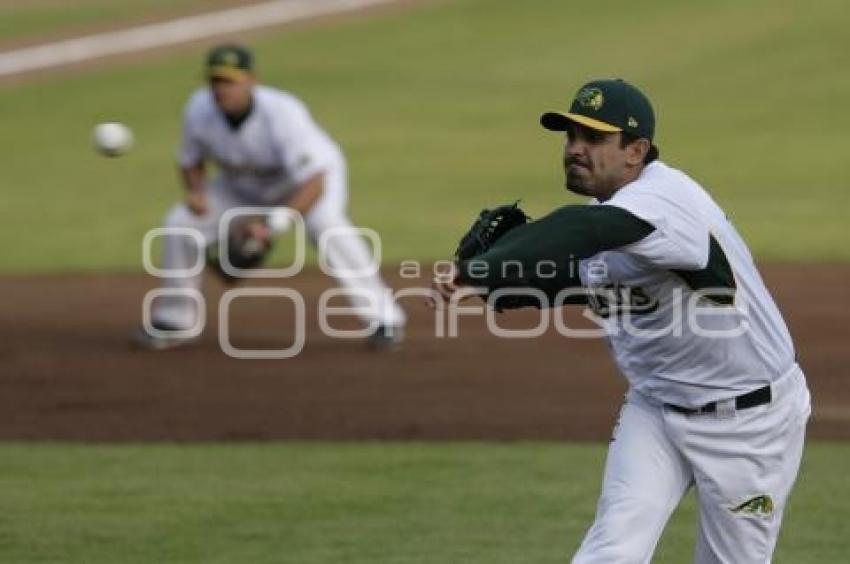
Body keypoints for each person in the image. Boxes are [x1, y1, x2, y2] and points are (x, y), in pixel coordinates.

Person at [430, 78, 811, 563]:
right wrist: (488, 285)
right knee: (612, 549)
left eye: (593, 139)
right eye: (570, 137)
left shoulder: (664, 201)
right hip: (655, 409)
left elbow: (579, 229)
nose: (574, 150)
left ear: (637, 151)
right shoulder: (614, 219)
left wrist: (482, 265)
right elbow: (575, 278)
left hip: (750, 420)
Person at [135, 44, 405, 351]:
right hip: (240, 186)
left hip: (304, 184)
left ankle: (385, 318)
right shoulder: (199, 110)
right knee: (179, 223)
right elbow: (190, 161)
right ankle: (176, 318)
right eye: (215, 81)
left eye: (230, 81)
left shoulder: (282, 113)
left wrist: (272, 224)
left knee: (328, 227)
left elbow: (315, 182)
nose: (221, 89)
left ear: (251, 80)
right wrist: (196, 192)